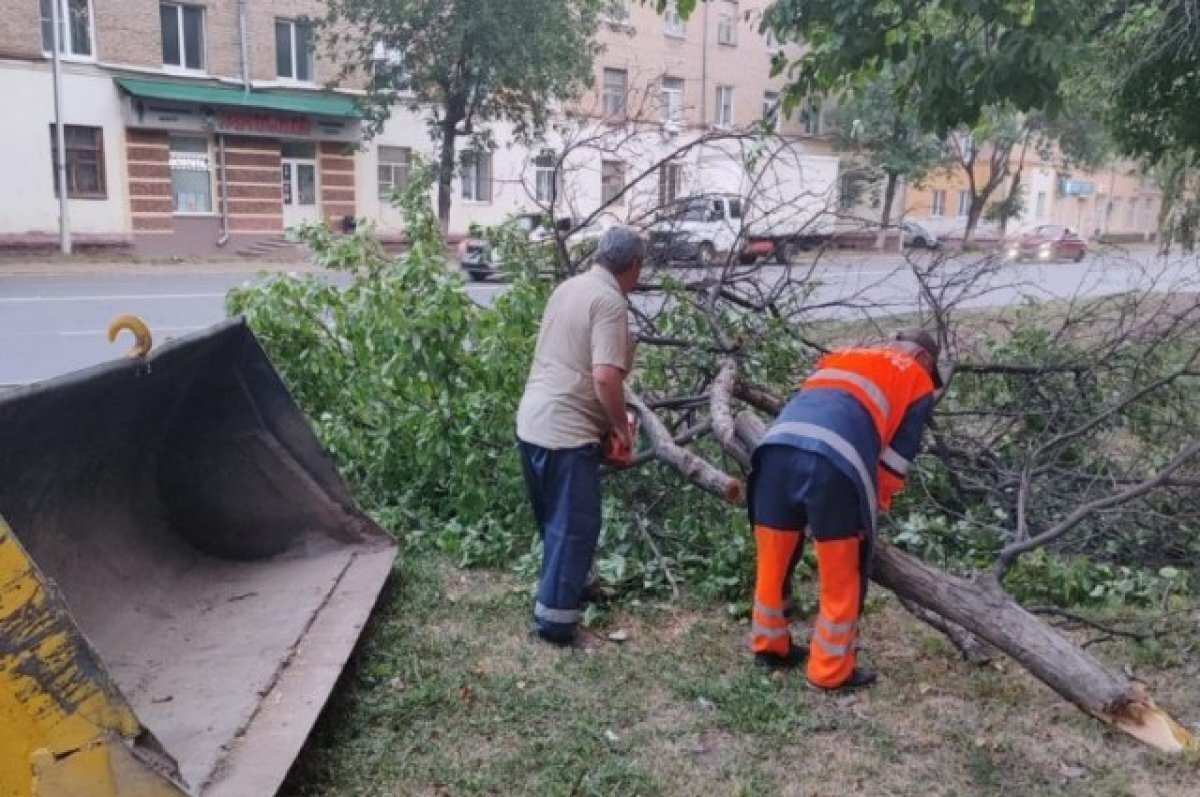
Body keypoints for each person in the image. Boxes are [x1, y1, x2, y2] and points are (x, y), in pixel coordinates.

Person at [747, 328, 942, 690]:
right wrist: (874, 510)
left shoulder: (842, 355)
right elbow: (894, 462)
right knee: (842, 572)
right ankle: (830, 671)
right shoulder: (917, 379)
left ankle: (769, 647)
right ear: (924, 360)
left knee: (773, 562)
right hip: (837, 462)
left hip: (774, 448)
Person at [516, 226, 645, 646]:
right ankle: (556, 626)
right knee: (574, 526)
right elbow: (606, 377)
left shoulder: (569, 288)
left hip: (533, 421)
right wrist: (620, 431)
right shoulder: (609, 301)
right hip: (565, 432)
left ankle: (577, 587)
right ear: (634, 267)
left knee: (556, 522)